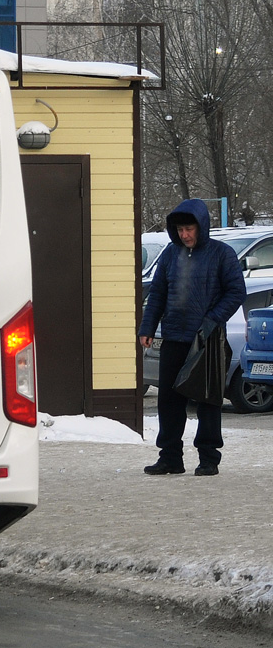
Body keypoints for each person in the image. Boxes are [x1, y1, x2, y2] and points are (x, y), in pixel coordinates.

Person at [138, 198, 245, 476]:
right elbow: (158, 293)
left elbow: (236, 292)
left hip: (207, 339)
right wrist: (147, 328)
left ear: (201, 227)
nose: (185, 234)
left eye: (189, 229)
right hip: (174, 336)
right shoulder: (170, 255)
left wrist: (211, 320)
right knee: (169, 401)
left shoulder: (222, 254)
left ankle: (209, 458)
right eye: (180, 230)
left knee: (208, 400)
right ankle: (170, 457)